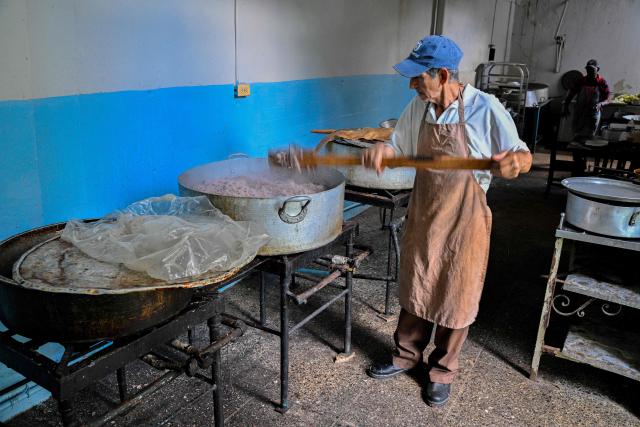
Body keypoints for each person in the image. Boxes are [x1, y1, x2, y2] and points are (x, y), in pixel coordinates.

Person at [361, 35, 532, 407]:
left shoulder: (485, 109)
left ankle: (442, 371)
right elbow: (399, 145)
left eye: (417, 77)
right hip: (425, 213)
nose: (411, 84)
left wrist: (513, 163)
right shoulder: (418, 108)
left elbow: (522, 155)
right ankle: (405, 356)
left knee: (458, 293)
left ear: (441, 74)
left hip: (466, 218)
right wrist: (383, 149)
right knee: (417, 282)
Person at [562, 59, 610, 138]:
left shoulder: (602, 82)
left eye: (592, 69)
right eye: (588, 69)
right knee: (577, 134)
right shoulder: (581, 81)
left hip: (594, 111)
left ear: (597, 69)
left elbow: (607, 100)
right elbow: (571, 94)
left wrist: (600, 104)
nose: (589, 71)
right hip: (580, 111)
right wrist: (566, 106)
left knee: (590, 135)